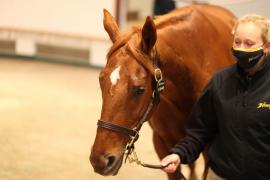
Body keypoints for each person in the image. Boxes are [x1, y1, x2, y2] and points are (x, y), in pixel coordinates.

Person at [160, 14, 270, 180]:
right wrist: (179, 154)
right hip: (219, 175)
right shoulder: (220, 81)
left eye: (249, 44)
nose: (241, 48)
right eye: (237, 42)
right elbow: (200, 130)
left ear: (267, 47)